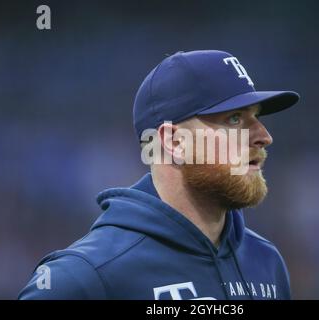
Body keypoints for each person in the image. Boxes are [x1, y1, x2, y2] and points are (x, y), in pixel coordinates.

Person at [19, 50, 300, 300]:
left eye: (257, 117)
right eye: (235, 119)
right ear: (173, 142)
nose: (264, 136)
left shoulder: (266, 262)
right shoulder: (86, 276)